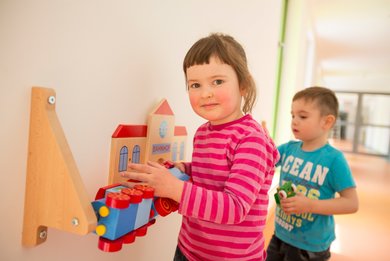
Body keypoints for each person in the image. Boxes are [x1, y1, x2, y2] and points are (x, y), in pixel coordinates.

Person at [121, 33, 279, 260]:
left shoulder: (251, 140)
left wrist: (173, 188)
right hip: (188, 248)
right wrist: (186, 169)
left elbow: (234, 207)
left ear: (243, 85)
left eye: (217, 81)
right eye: (195, 84)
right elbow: (214, 173)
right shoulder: (204, 132)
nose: (205, 93)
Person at [266, 86, 359, 261]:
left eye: (302, 116)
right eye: (292, 115)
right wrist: (261, 141)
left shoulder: (334, 159)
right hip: (280, 234)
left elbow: (352, 203)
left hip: (311, 247)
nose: (294, 121)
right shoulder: (288, 149)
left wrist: (310, 205)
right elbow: (265, 161)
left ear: (327, 122)